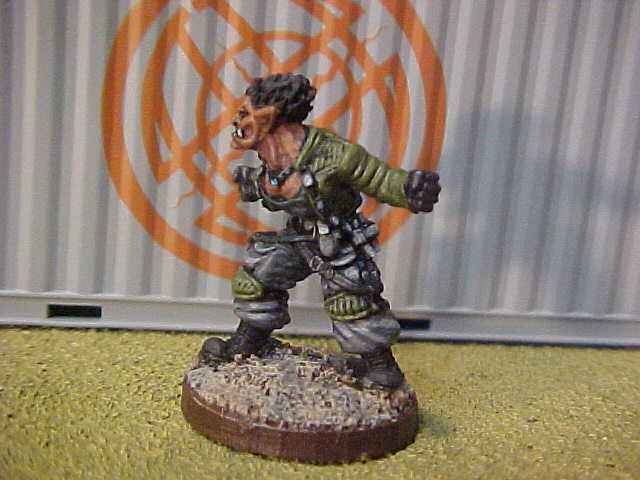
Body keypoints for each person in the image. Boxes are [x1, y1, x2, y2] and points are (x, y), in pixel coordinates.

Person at [200, 73, 441, 388]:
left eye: (245, 113)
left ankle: (381, 368)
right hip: (298, 237)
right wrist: (255, 185)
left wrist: (409, 189)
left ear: (268, 117)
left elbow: (379, 178)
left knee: (352, 301)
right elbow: (276, 184)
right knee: (257, 279)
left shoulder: (336, 155)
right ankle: (248, 342)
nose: (237, 120)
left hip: (338, 242)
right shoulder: (272, 154)